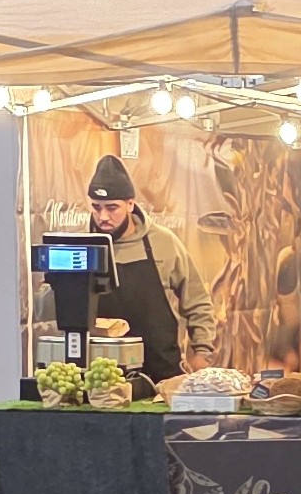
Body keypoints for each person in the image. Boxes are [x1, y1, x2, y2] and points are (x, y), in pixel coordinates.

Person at [83, 155, 219, 383]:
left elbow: (197, 301)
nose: (103, 216)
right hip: (102, 376)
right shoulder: (82, 247)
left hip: (162, 372)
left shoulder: (163, 242)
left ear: (130, 204)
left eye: (112, 208)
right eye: (96, 208)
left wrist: (202, 351)